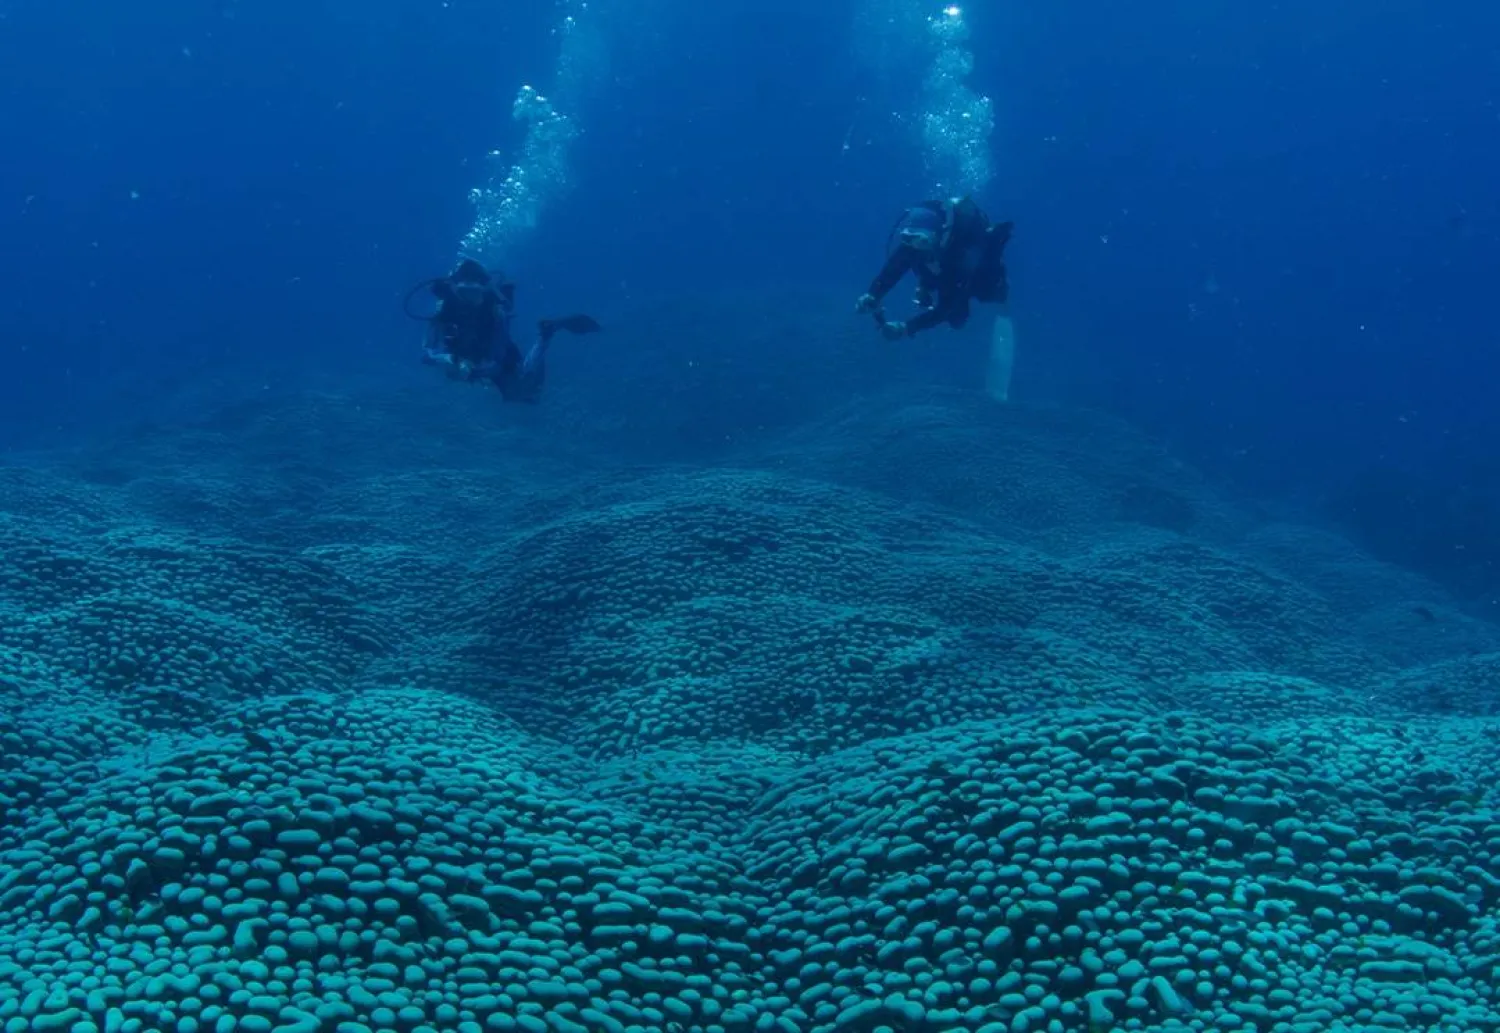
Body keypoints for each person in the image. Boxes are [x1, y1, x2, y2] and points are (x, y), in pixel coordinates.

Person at [405, 258, 600, 404]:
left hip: (492, 359)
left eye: (474, 293)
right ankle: (545, 335)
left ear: (483, 290)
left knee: (525, 396)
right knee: (513, 393)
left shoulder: (494, 308)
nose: (469, 301)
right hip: (464, 361)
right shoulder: (443, 309)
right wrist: (448, 360)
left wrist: (486, 366)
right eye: (465, 292)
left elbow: (500, 345)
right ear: (454, 289)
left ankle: (545, 335)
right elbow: (428, 351)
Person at [855, 197, 1013, 341]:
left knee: (958, 316)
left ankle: (1002, 301)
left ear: (938, 237)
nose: (915, 247)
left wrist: (907, 327)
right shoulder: (911, 247)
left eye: (922, 241)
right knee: (952, 312)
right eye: (908, 238)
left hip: (966, 276)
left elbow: (945, 308)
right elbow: (892, 270)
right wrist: (873, 295)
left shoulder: (959, 256)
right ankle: (928, 286)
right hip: (942, 271)